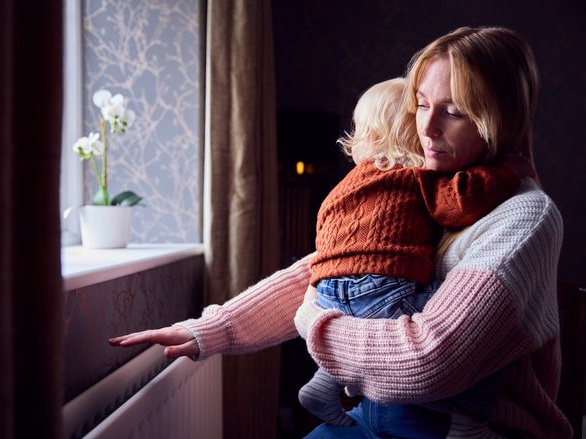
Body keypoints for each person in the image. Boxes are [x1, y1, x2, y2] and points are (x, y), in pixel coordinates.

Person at [109, 26, 572, 438]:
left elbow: (428, 360)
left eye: (453, 112)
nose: (425, 128)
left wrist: (314, 322)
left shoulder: (523, 217)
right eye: (422, 104)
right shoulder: (427, 186)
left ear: (499, 120)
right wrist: (208, 330)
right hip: (379, 416)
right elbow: (329, 270)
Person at [296, 77, 520, 430]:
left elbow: (327, 236)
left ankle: (324, 381)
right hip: (381, 286)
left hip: (326, 290)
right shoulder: (414, 174)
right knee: (477, 343)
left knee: (356, 318)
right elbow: (458, 204)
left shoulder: (346, 185)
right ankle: (468, 421)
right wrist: (508, 173)